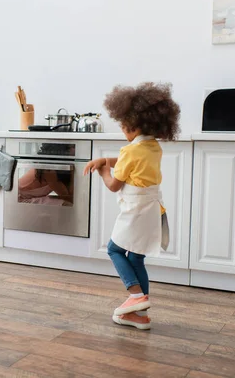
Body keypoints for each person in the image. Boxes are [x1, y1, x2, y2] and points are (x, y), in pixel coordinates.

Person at [84, 82, 180, 329]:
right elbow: (131, 159)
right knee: (137, 259)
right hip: (152, 212)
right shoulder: (153, 147)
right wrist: (107, 159)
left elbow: (114, 185)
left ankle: (136, 296)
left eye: (124, 127)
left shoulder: (129, 150)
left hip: (135, 213)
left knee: (114, 250)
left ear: (133, 126)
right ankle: (140, 315)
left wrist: (104, 170)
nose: (123, 132)